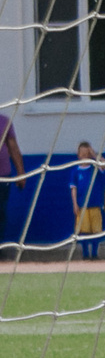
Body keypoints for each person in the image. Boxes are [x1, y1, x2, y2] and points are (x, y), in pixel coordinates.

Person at [70, 141, 104, 259]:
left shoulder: (94, 167)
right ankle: (85, 254)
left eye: (87, 154)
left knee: (96, 230)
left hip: (95, 204)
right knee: (83, 231)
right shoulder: (75, 171)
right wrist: (75, 204)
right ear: (78, 155)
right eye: (82, 154)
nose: (85, 157)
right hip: (82, 205)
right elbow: (73, 188)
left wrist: (94, 155)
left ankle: (94, 253)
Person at [0, 107, 22, 255]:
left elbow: (13, 148)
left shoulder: (4, 121)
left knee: (1, 212)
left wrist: (21, 172)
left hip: (3, 176)